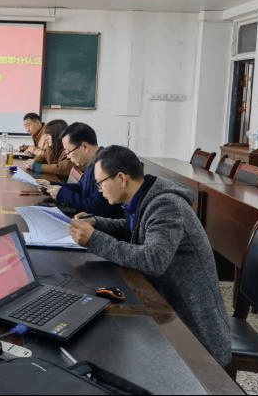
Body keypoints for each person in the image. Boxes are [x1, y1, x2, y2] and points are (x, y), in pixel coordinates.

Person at [69, 145, 231, 366]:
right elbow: (132, 228)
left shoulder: (166, 205)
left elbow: (153, 260)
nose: (99, 190)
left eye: (101, 183)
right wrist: (97, 223)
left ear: (121, 178)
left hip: (194, 331)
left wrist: (94, 239)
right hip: (167, 309)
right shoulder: (145, 196)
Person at [38, 122, 123, 218]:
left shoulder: (106, 165)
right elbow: (81, 188)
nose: (68, 157)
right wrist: (51, 185)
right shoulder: (93, 161)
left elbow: (96, 207)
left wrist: (61, 193)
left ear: (85, 147)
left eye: (68, 152)